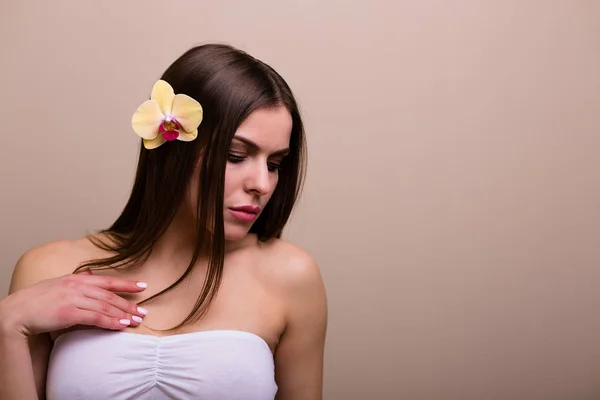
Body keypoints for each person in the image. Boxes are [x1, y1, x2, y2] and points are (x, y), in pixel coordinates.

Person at [0, 43, 328, 400]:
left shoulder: (291, 277)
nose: (262, 185)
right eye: (236, 156)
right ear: (174, 147)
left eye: (274, 164)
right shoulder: (48, 269)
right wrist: (8, 325)